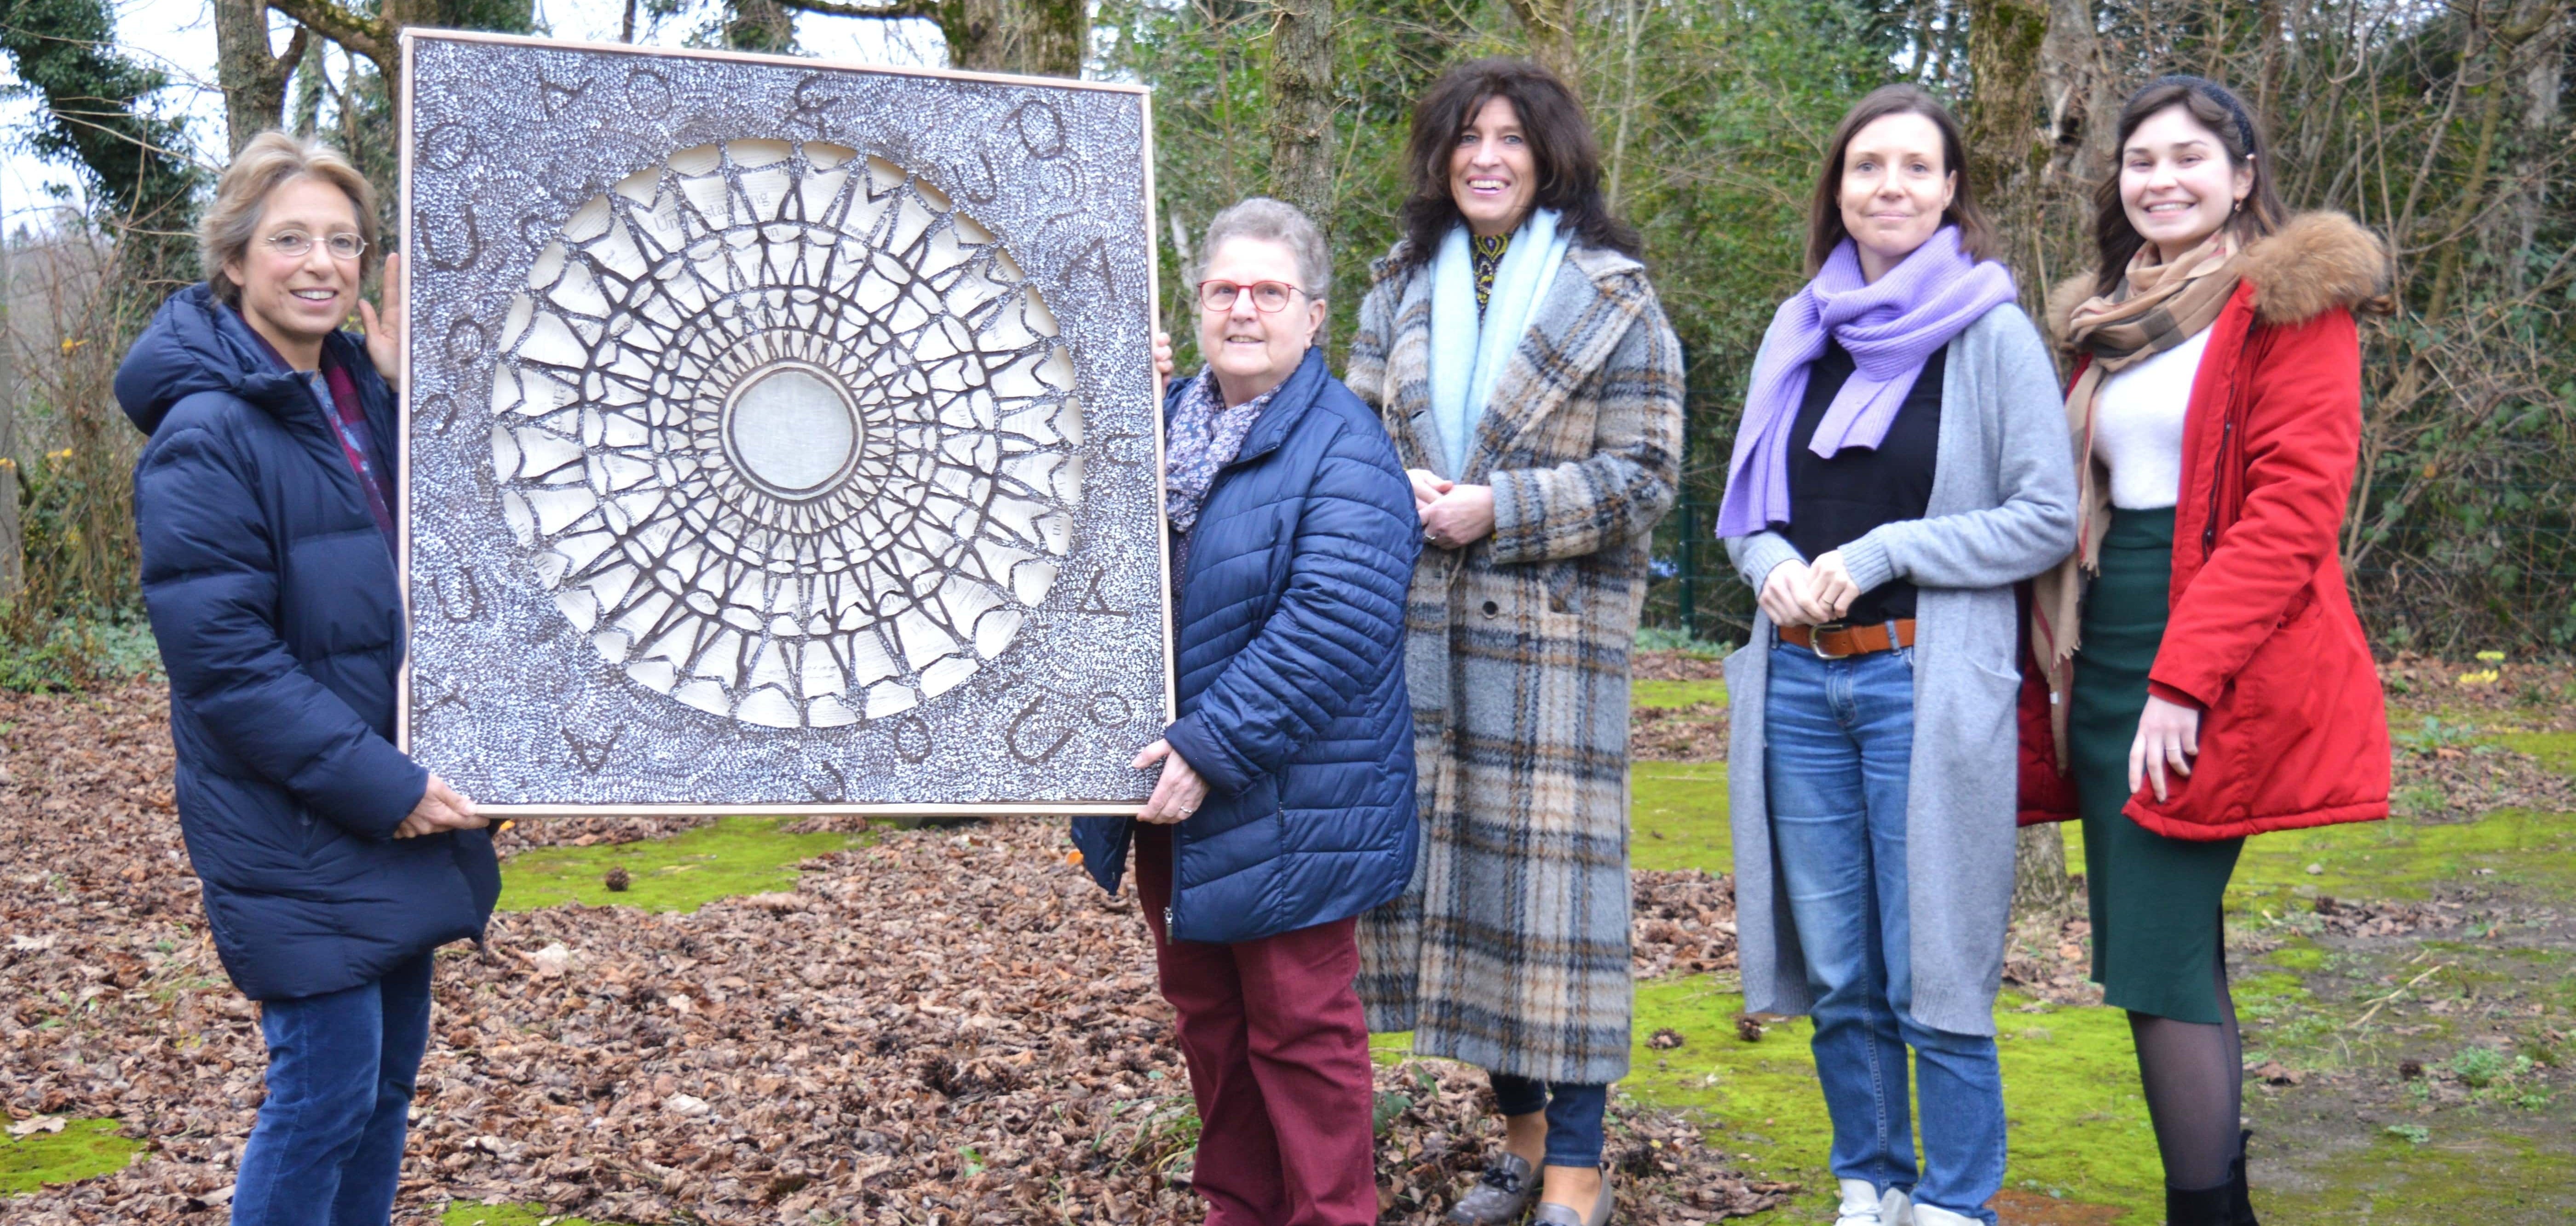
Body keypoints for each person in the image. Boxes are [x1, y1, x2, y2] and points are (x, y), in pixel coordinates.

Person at [2018, 76, 2391, 1226]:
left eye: (2190, 157)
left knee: (2157, 953)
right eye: (2139, 160)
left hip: (2209, 651)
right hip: (2100, 638)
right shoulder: (2104, 321)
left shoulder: (2287, 306)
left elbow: (2293, 513)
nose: (2161, 179)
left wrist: (2183, 679)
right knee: (2166, 944)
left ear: (2241, 177)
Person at [116, 131, 498, 1226]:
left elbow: (463, 570)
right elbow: (228, 668)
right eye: (288, 239)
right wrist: (389, 787)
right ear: (233, 261)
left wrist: (402, 395)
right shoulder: (207, 434)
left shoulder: (353, 399)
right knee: (323, 1096)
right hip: (301, 821)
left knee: (379, 1097)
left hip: (394, 806)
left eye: (342, 239)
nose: (320, 262)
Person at [1717, 84, 2078, 1226]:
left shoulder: (1991, 331)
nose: (1890, 187)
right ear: (1838, 188)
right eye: (1868, 166)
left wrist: (1882, 551)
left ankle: (1957, 1198)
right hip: (1794, 683)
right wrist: (1766, 560)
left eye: (1915, 168)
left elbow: (2044, 518)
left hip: (1920, 678)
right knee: (1838, 965)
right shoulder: (1798, 326)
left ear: (1951, 189)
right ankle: (1868, 1179)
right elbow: (1741, 510)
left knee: (1936, 957)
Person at [1349, 57, 1684, 1226]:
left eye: (1511, 137)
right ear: (1441, 155)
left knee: (1559, 917)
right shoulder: (1394, 288)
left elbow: (1648, 474)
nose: (1486, 156)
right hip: (1422, 644)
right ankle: (1525, 1139)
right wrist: (1400, 487)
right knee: (1470, 911)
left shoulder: (1617, 295)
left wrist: (1507, 507)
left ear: (1551, 156)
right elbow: (1346, 445)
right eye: (1466, 136)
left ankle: (1581, 1171)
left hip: (1553, 649)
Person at [1070, 197, 1420, 1226]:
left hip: (1292, 801)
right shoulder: (1158, 425)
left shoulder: (1345, 449)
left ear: (1315, 316)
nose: (1243, 309)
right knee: (1211, 1029)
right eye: (1224, 288)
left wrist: (1211, 746)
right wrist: (1105, 397)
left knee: (1300, 1035)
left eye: (1268, 291)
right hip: (1167, 795)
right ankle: (1241, 1211)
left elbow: (1335, 624)